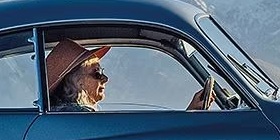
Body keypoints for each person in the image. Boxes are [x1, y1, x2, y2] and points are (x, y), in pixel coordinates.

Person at [43, 38, 217, 112]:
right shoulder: (79, 118)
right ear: (78, 83)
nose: (105, 79)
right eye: (97, 73)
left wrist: (190, 111)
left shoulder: (69, 116)